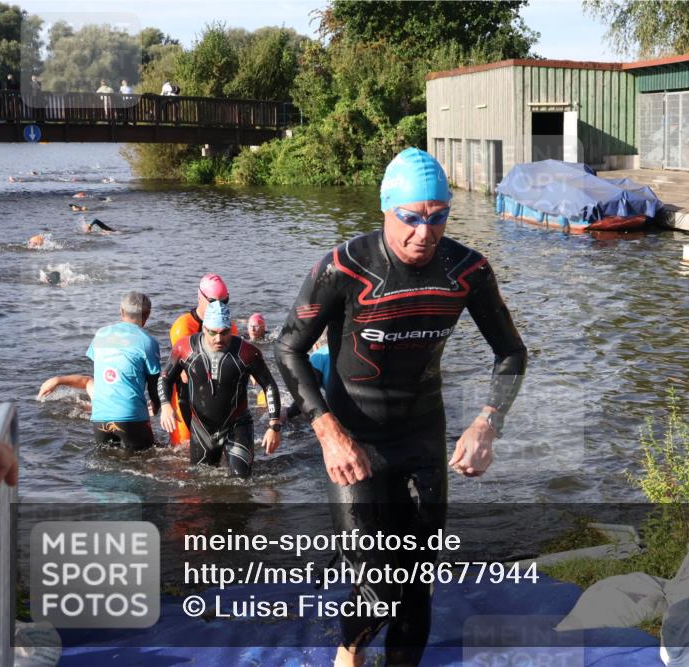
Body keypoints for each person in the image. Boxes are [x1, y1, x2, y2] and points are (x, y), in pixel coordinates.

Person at [275, 147, 527, 666]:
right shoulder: (344, 267)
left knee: (416, 583)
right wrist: (327, 432)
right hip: (354, 442)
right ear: (386, 209)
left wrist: (486, 424)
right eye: (410, 218)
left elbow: (511, 352)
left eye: (437, 218)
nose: (424, 233)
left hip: (421, 438)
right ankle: (349, 654)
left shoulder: (467, 270)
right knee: (377, 585)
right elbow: (289, 347)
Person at [159, 301, 281, 478]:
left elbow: (269, 385)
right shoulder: (185, 349)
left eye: (224, 333)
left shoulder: (247, 353)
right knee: (200, 482)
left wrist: (274, 426)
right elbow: (165, 378)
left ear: (230, 329)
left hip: (237, 425)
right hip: (202, 428)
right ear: (204, 328)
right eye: (213, 333)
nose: (219, 339)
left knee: (241, 480)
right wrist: (165, 406)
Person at [167, 273, 239, 446]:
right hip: (186, 397)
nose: (219, 306)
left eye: (224, 301)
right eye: (214, 302)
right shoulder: (182, 327)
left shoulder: (228, 326)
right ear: (200, 297)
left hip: (217, 399)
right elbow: (185, 373)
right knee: (181, 454)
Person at [87, 291, 162, 452]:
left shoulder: (101, 335)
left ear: (121, 311)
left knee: (105, 467)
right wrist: (156, 404)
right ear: (147, 314)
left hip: (100, 416)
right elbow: (153, 383)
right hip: (131, 417)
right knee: (146, 462)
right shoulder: (148, 342)